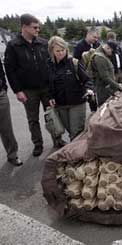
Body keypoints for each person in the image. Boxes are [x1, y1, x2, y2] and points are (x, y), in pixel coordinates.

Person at [4, 13, 59, 157]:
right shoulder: (13, 46)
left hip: (46, 87)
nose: (38, 30)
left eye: (38, 27)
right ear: (24, 27)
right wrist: (17, 91)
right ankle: (38, 144)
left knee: (52, 115)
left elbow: (51, 65)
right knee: (33, 119)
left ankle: (57, 140)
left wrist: (53, 85)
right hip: (28, 90)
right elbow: (10, 71)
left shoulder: (42, 43)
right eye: (35, 27)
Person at [47, 36, 93, 141]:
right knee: (70, 132)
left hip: (77, 103)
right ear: (51, 51)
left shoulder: (74, 62)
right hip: (60, 105)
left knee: (76, 133)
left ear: (66, 49)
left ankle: (77, 155)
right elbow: (48, 84)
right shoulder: (49, 65)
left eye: (63, 50)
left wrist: (89, 89)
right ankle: (75, 150)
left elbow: (87, 80)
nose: (60, 53)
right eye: (57, 51)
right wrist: (50, 97)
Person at [0, 58, 22, 166]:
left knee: (6, 127)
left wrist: (3, 86)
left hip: (0, 95)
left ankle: (12, 155)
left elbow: (1, 70)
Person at [73, 28, 100, 112]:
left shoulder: (97, 44)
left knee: (98, 93)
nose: (96, 39)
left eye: (97, 38)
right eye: (94, 37)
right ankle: (93, 111)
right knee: (91, 95)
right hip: (85, 75)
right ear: (88, 34)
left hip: (96, 74)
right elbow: (75, 61)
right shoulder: (79, 46)